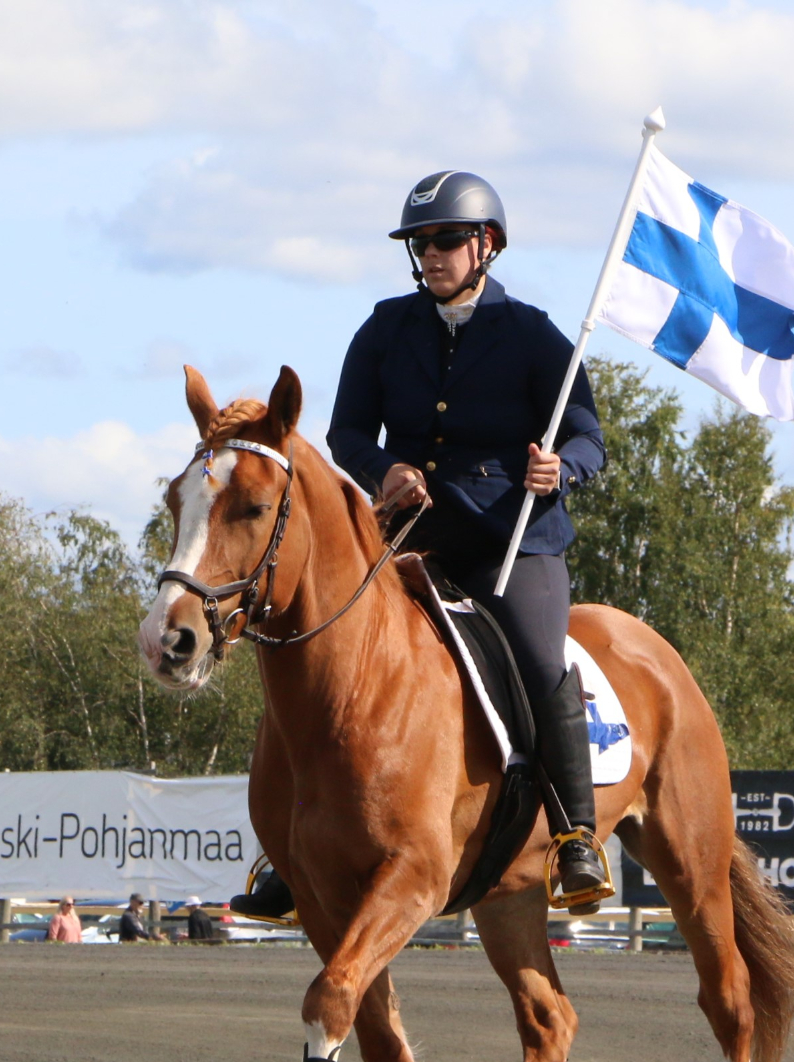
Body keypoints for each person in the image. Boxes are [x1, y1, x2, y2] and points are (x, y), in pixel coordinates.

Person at [232, 169, 610, 923]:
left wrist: (558, 468)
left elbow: (589, 438)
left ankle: (575, 836)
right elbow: (345, 433)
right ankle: (291, 847)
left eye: (442, 241)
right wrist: (382, 470)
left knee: (541, 663)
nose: (428, 255)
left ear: (486, 245)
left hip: (513, 541)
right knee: (325, 653)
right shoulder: (383, 328)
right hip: (413, 533)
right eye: (419, 243)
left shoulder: (534, 335)